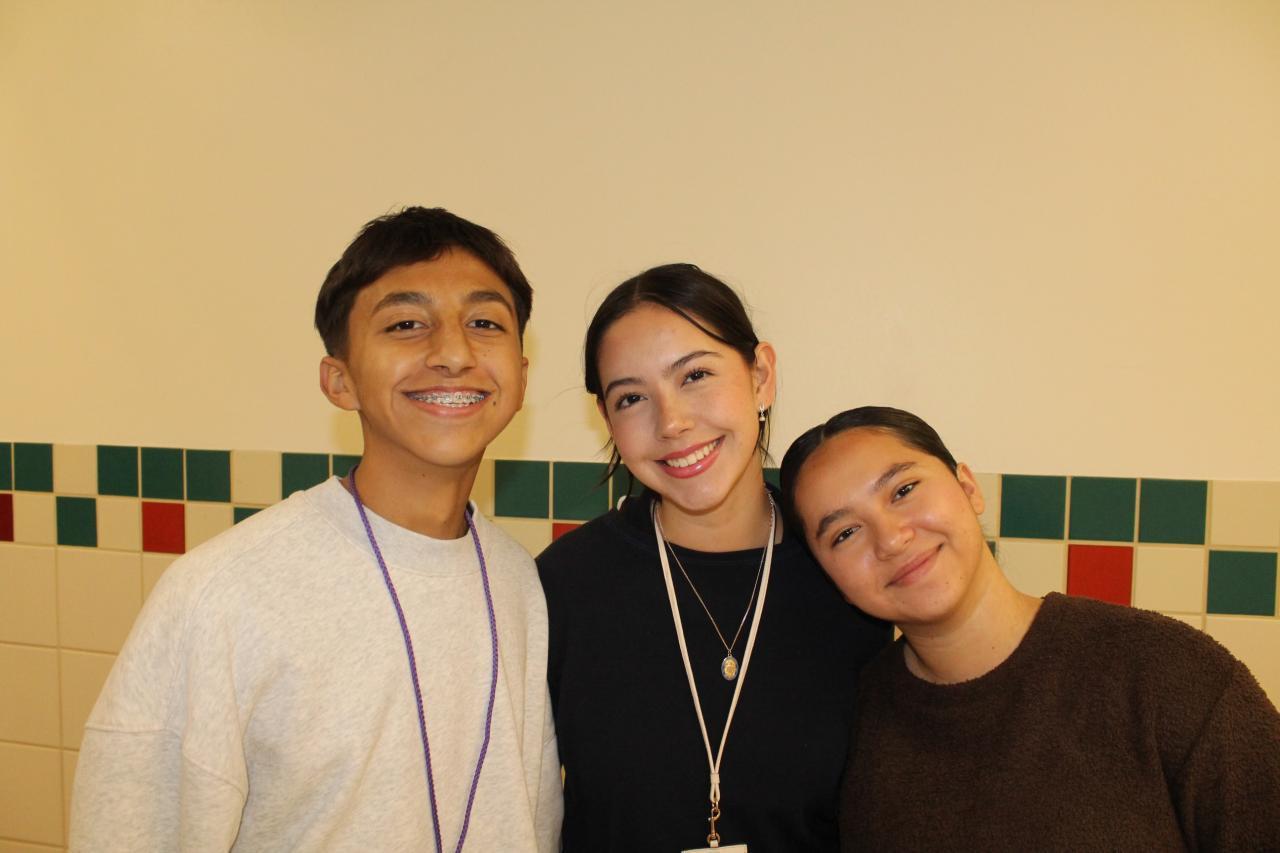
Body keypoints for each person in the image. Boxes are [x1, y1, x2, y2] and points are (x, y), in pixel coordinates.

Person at [70, 207, 563, 851]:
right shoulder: (221, 593)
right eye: (406, 324)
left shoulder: (519, 579)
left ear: (521, 376)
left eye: (484, 323)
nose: (452, 353)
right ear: (340, 380)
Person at [780, 405, 1280, 851]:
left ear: (968, 487)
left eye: (904, 490)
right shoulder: (849, 724)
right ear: (832, 580)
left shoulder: (1169, 675)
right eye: (845, 533)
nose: (891, 539)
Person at [537, 264, 889, 852]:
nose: (672, 422)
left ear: (761, 376)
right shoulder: (564, 585)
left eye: (696, 375)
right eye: (631, 398)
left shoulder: (847, 573)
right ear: (607, 420)